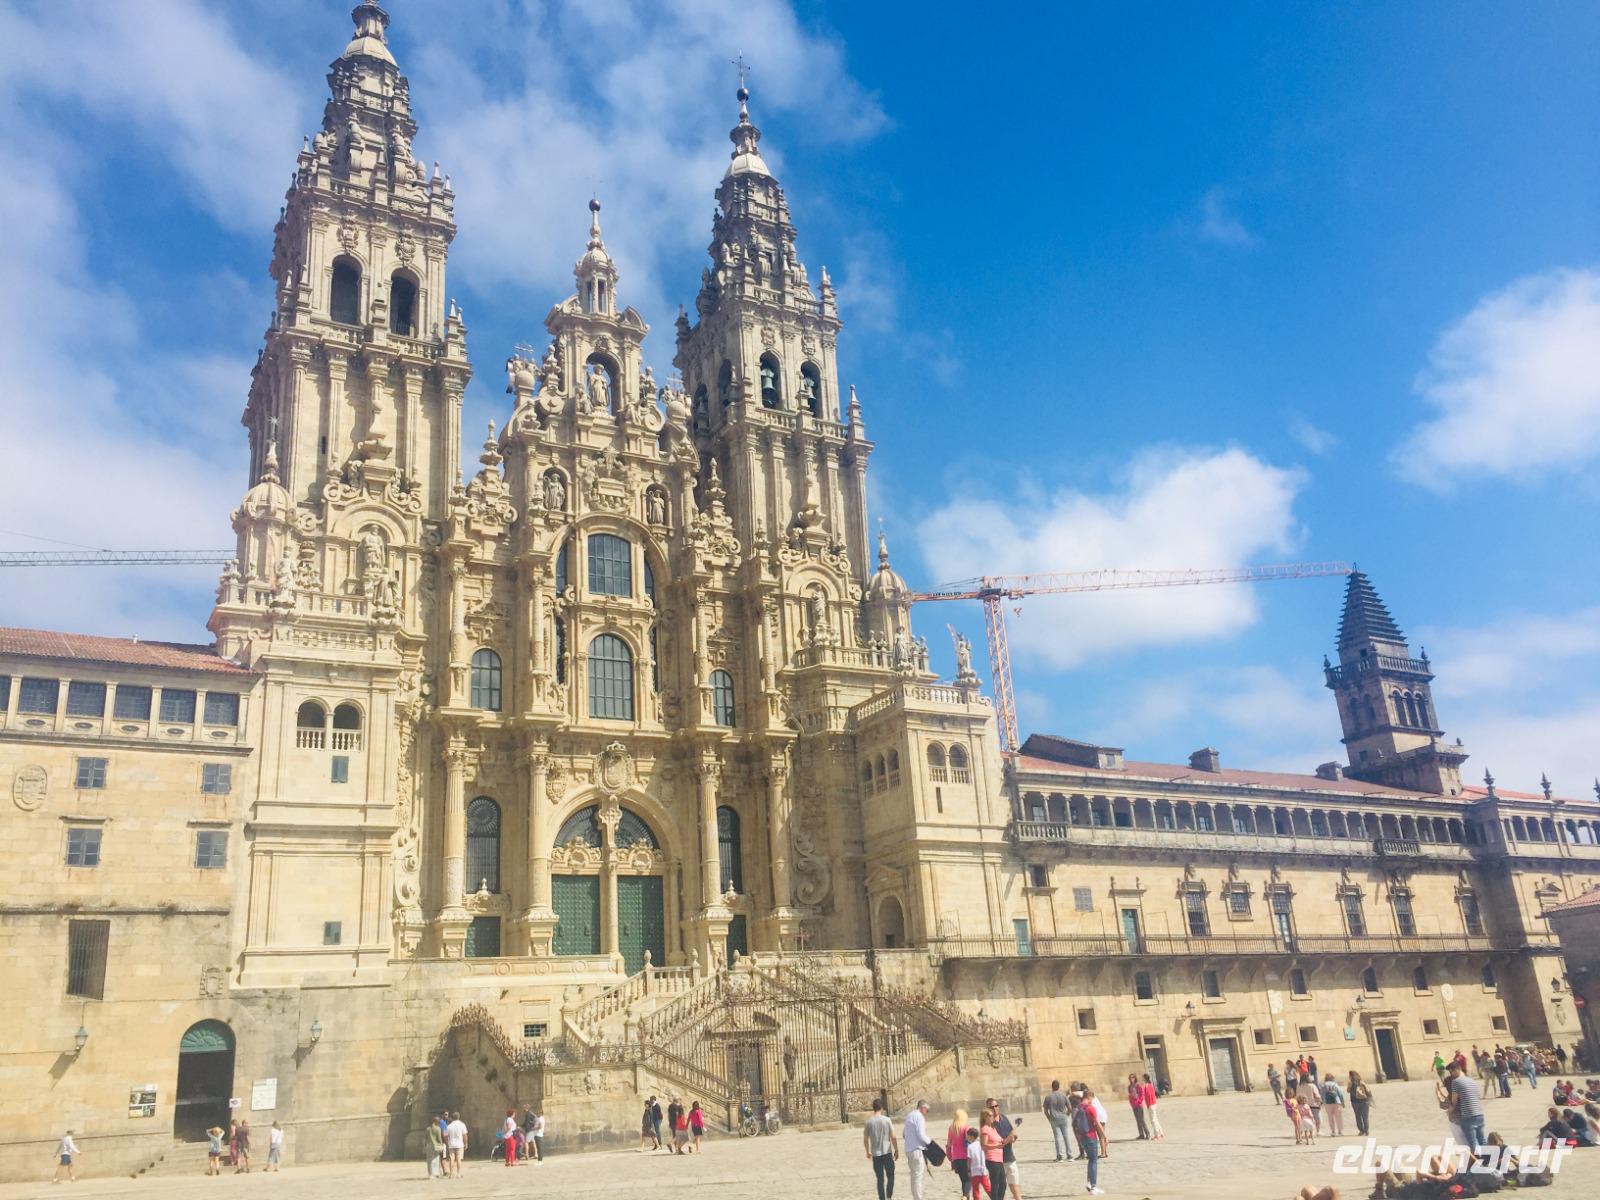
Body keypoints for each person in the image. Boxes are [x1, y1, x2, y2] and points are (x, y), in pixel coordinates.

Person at [986, 1097, 1021, 1200]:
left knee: (1015, 1189)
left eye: (996, 1106)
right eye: (991, 1107)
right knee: (1001, 1191)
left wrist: (1013, 1138)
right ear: (987, 1109)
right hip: (998, 1162)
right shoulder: (988, 1125)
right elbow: (998, 1143)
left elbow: (1012, 1133)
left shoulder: (1004, 1118)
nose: (994, 1108)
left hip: (1010, 1158)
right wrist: (1008, 1139)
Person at [865, 1097, 899, 1200]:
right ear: (882, 1108)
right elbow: (893, 1137)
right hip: (887, 1152)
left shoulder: (869, 1122)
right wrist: (896, 1150)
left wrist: (867, 1152)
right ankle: (889, 1195)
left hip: (876, 1154)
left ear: (873, 1108)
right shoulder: (887, 1120)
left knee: (880, 1179)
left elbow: (865, 1139)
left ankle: (882, 1198)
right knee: (890, 1175)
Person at [1447, 1062, 1486, 1149]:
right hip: (1479, 1114)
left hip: (1468, 1116)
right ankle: (1488, 1157)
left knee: (1472, 1144)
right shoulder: (1472, 1080)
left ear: (1457, 1069)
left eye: (1451, 1072)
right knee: (1482, 1141)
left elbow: (1454, 1102)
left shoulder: (1456, 1082)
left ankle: (1476, 1157)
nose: (1451, 1074)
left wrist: (1449, 1111)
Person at [1074, 1090, 1105, 1196]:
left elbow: (1074, 1123)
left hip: (1082, 1137)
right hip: (1091, 1136)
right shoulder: (1091, 1108)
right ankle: (1093, 1186)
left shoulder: (1078, 1107)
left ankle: (1089, 1183)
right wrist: (1104, 1136)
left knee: (1090, 1160)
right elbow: (1097, 1123)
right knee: (1093, 1161)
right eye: (1092, 1099)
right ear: (1089, 1097)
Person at [903, 1099, 930, 1200]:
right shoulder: (919, 1117)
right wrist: (930, 1142)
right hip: (917, 1150)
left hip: (909, 1150)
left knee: (914, 1176)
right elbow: (921, 1135)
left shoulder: (909, 1115)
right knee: (918, 1176)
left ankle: (916, 1197)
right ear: (922, 1107)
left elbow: (904, 1134)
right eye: (927, 1110)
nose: (926, 1113)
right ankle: (918, 1198)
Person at [946, 1109, 973, 1198]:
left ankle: (965, 1197)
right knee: (968, 1180)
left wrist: (950, 1157)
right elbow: (969, 1143)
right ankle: (965, 1196)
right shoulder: (966, 1128)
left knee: (963, 1181)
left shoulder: (951, 1129)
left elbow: (948, 1145)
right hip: (965, 1158)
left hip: (956, 1159)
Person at [1042, 1080, 1070, 1161]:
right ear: (1058, 1086)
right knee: (1066, 1137)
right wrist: (1066, 1115)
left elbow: (1045, 1111)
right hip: (1063, 1118)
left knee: (1057, 1137)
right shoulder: (1063, 1096)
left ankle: (1060, 1156)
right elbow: (1070, 1108)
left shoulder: (1048, 1097)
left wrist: (1049, 1118)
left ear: (1052, 1087)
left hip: (1054, 1119)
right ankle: (1070, 1155)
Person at [965, 1126, 990, 1199]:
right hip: (983, 1170)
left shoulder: (970, 1146)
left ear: (972, 1137)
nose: (966, 1137)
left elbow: (969, 1160)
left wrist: (968, 1170)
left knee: (975, 1191)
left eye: (968, 1136)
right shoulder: (982, 1144)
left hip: (974, 1171)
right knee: (988, 1188)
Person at [1348, 1071, 1374, 1137]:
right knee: (1365, 1117)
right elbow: (1368, 1090)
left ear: (1350, 1076)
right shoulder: (1362, 1082)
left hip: (1355, 1102)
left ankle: (1361, 1131)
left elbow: (1348, 1091)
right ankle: (1366, 1131)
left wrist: (1350, 1087)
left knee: (1358, 1116)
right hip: (1364, 1101)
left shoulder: (1350, 1082)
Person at [1140, 1074, 1164, 1140]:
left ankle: (1157, 1135)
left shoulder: (1149, 1086)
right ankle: (1161, 1133)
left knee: (1153, 1120)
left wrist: (1149, 1105)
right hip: (1150, 1104)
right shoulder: (1146, 1085)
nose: (1142, 1079)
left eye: (1142, 1078)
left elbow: (1150, 1096)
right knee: (1155, 1119)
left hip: (1151, 1105)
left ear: (1145, 1078)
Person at [444, 1111, 468, 1177]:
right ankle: (458, 1173)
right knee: (458, 1159)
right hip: (460, 1144)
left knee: (451, 1159)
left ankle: (451, 1174)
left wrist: (447, 1143)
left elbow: (445, 1135)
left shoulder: (449, 1126)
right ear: (459, 1117)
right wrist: (466, 1143)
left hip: (451, 1144)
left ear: (452, 1118)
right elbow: (465, 1135)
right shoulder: (462, 1125)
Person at [1127, 1073, 1150, 1140]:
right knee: (1137, 1120)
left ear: (1135, 1078)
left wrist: (1139, 1101)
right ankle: (1141, 1134)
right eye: (1130, 1078)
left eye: (1133, 1077)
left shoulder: (1138, 1085)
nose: (1132, 1079)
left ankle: (1147, 1134)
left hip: (1139, 1105)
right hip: (1134, 1105)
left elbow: (1142, 1094)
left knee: (1141, 1119)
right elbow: (1130, 1095)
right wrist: (1131, 1103)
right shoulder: (1129, 1087)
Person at [425, 1112, 444, 1178]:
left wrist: (425, 1145)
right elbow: (439, 1138)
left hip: (429, 1145)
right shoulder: (438, 1128)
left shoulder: (428, 1129)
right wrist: (441, 1145)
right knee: (436, 1159)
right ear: (437, 1122)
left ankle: (430, 1174)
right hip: (436, 1145)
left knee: (429, 1160)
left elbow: (426, 1138)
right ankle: (436, 1173)